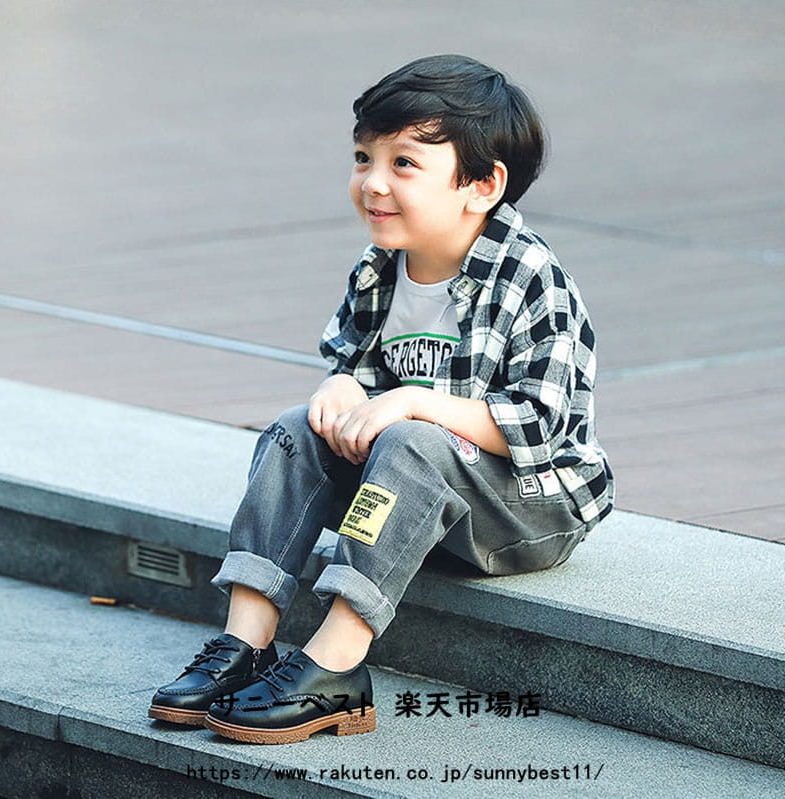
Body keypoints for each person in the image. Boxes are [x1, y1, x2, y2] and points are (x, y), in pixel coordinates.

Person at [148, 53, 614, 745]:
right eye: (364, 158)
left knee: (412, 437)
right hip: (412, 497)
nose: (373, 182)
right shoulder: (379, 269)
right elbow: (357, 369)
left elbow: (541, 424)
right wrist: (341, 383)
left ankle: (336, 665)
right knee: (295, 429)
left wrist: (411, 402)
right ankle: (245, 643)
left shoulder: (529, 278)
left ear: (481, 185)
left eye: (404, 164)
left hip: (527, 507)